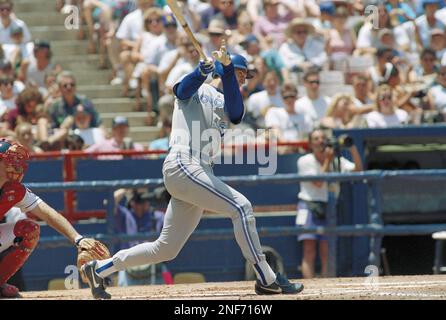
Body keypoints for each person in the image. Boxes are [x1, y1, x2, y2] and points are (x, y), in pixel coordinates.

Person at [80, 42, 304, 299]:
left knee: (165, 249)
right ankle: (266, 276)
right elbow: (181, 90)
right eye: (241, 73)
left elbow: (237, 114)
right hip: (183, 162)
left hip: (199, 171)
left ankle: (99, 269)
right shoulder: (200, 87)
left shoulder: (228, 99)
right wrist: (201, 72)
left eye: (243, 75)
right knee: (241, 208)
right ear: (224, 69)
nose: (244, 79)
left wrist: (228, 71)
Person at [0, 139, 105, 297]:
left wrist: (78, 239)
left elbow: (48, 213)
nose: (15, 166)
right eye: (10, 161)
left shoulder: (14, 190)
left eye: (17, 162)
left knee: (29, 229)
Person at [296, 129, 362, 279]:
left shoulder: (336, 159)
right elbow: (318, 182)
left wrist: (352, 147)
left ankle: (326, 288)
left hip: (329, 207)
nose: (321, 141)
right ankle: (310, 289)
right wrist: (328, 160)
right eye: (316, 139)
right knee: (309, 250)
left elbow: (358, 170)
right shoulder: (305, 160)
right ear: (310, 144)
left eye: (323, 138)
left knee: (327, 251)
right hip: (309, 206)